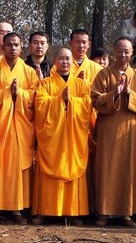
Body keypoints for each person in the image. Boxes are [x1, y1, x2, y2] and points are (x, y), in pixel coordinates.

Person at [91, 37, 136, 227]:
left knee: (129, 169)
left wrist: (129, 94)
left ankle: (127, 213)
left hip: (132, 130)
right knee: (107, 168)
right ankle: (104, 211)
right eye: (119, 50)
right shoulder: (104, 74)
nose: (123, 54)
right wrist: (114, 93)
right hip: (109, 128)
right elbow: (95, 100)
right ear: (114, 52)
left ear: (132, 53)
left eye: (127, 51)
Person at [0, 31, 39, 224]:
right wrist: (7, 93)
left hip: (20, 127)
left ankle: (17, 208)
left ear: (21, 47)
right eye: (9, 45)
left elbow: (35, 97)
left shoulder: (29, 72)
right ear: (2, 47)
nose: (13, 48)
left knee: (18, 167)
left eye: (16, 45)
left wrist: (19, 93)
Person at [33, 47, 92, 225]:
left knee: (73, 169)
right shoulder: (46, 83)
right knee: (49, 168)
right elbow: (40, 105)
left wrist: (72, 101)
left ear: (72, 62)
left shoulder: (81, 84)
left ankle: (74, 212)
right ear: (55, 61)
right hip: (53, 137)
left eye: (68, 59)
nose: (65, 62)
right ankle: (45, 211)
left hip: (74, 137)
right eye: (61, 58)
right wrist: (60, 100)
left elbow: (88, 106)